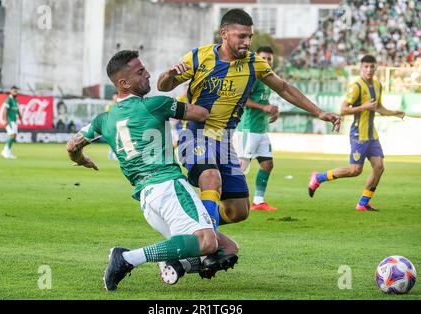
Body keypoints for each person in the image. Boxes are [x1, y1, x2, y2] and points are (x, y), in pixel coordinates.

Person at [66, 50, 239, 291]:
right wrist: (194, 86)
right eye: (140, 72)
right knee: (206, 241)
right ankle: (127, 258)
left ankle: (175, 264)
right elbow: (202, 113)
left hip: (147, 200)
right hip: (169, 186)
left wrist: (82, 159)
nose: (148, 74)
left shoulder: (102, 121)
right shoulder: (156, 104)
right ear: (123, 83)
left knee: (227, 249)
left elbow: (72, 145)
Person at [157, 9, 340, 230]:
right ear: (224, 34)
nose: (247, 42)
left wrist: (318, 112)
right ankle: (204, 241)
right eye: (241, 36)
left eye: (249, 37)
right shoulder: (199, 56)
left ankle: (191, 227)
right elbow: (163, 86)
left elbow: (284, 88)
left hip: (224, 141)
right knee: (211, 177)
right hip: (195, 135)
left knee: (239, 210)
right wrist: (169, 75)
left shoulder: (255, 63)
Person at [308, 55, 405, 211]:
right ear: (361, 68)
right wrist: (363, 107)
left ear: (376, 68)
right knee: (354, 171)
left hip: (372, 135)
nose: (369, 70)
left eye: (372, 66)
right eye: (366, 67)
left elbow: (378, 107)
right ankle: (318, 177)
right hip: (358, 135)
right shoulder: (356, 86)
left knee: (379, 167)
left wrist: (394, 113)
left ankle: (363, 203)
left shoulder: (377, 84)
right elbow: (343, 109)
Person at [236, 46, 280, 211]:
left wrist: (273, 110)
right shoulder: (252, 77)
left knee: (267, 164)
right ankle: (226, 198)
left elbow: (263, 102)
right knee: (241, 166)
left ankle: (259, 201)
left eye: (270, 59)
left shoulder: (268, 78)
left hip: (261, 129)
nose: (267, 61)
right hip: (248, 128)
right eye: (264, 58)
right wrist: (263, 108)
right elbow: (242, 100)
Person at [1, 86, 22, 159]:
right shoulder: (9, 100)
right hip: (9, 120)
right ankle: (5, 151)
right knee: (12, 135)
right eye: (14, 91)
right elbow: (5, 110)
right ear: (11, 91)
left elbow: (17, 110)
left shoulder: (16, 101)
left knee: (14, 136)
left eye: (16, 91)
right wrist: (5, 120)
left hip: (14, 121)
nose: (15, 92)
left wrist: (20, 117)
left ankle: (8, 152)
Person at [105, 92, 118, 160]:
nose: (116, 98)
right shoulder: (110, 105)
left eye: (117, 96)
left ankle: (113, 154)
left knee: (117, 140)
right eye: (115, 96)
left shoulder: (120, 104)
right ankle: (112, 154)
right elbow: (106, 115)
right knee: (114, 139)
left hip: (118, 125)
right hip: (112, 125)